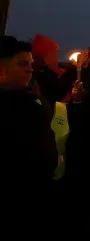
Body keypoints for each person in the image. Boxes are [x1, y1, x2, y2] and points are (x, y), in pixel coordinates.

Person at [0, 36, 59, 232]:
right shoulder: (19, 105)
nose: (30, 69)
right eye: (22, 64)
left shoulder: (32, 99)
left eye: (31, 64)